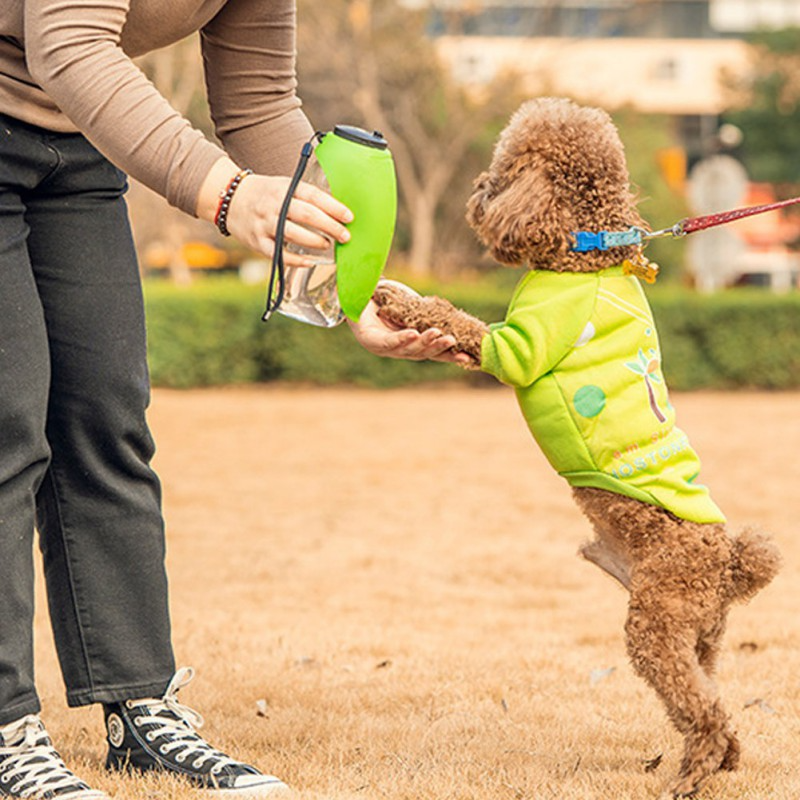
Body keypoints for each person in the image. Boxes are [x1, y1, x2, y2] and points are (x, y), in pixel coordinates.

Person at [0, 2, 465, 798]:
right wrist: (224, 193)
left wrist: (345, 291)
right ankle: (7, 726)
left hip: (73, 143)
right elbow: (68, 39)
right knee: (8, 424)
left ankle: (139, 708)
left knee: (105, 418)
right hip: (44, 91)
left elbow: (256, 103)